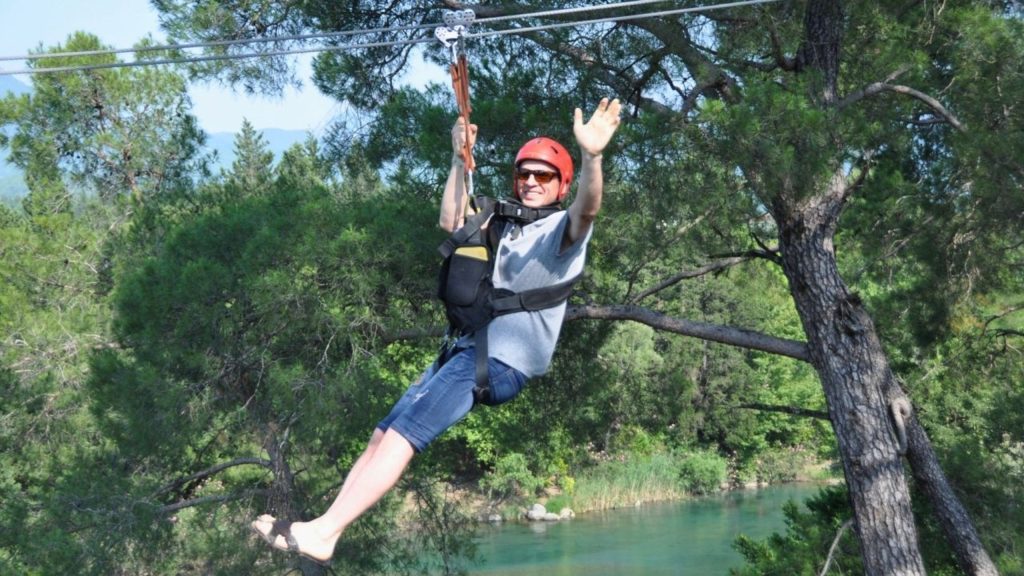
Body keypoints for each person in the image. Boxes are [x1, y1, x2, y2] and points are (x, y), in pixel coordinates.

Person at [252, 97, 622, 564]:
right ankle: (325, 530)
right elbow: (451, 221)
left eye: (543, 176)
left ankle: (323, 533)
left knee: (406, 434)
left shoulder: (560, 236)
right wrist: (456, 158)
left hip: (499, 360)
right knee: (383, 433)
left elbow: (587, 210)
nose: (531, 182)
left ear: (560, 185)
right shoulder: (504, 223)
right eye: (525, 173)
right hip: (464, 349)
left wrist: (592, 156)